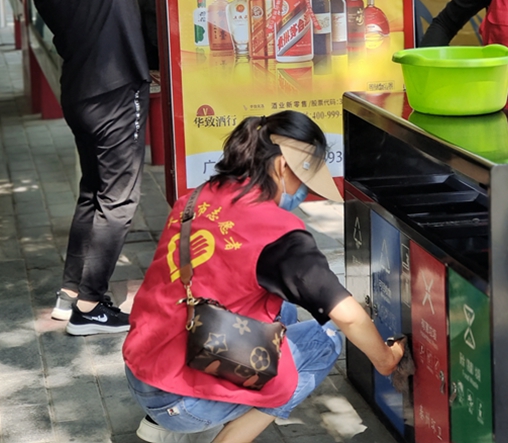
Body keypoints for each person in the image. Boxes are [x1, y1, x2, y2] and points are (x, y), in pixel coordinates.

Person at [123, 111, 406, 443]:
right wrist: (386, 360)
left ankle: (166, 425)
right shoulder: (278, 235)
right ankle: (216, 433)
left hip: (143, 367)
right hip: (182, 399)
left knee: (283, 309)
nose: (303, 192)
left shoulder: (197, 197)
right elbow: (348, 315)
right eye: (302, 180)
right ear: (283, 167)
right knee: (324, 339)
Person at [0, 0, 155, 335]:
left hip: (85, 92)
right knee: (119, 199)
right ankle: (90, 306)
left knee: (95, 193)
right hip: (114, 91)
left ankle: (70, 294)